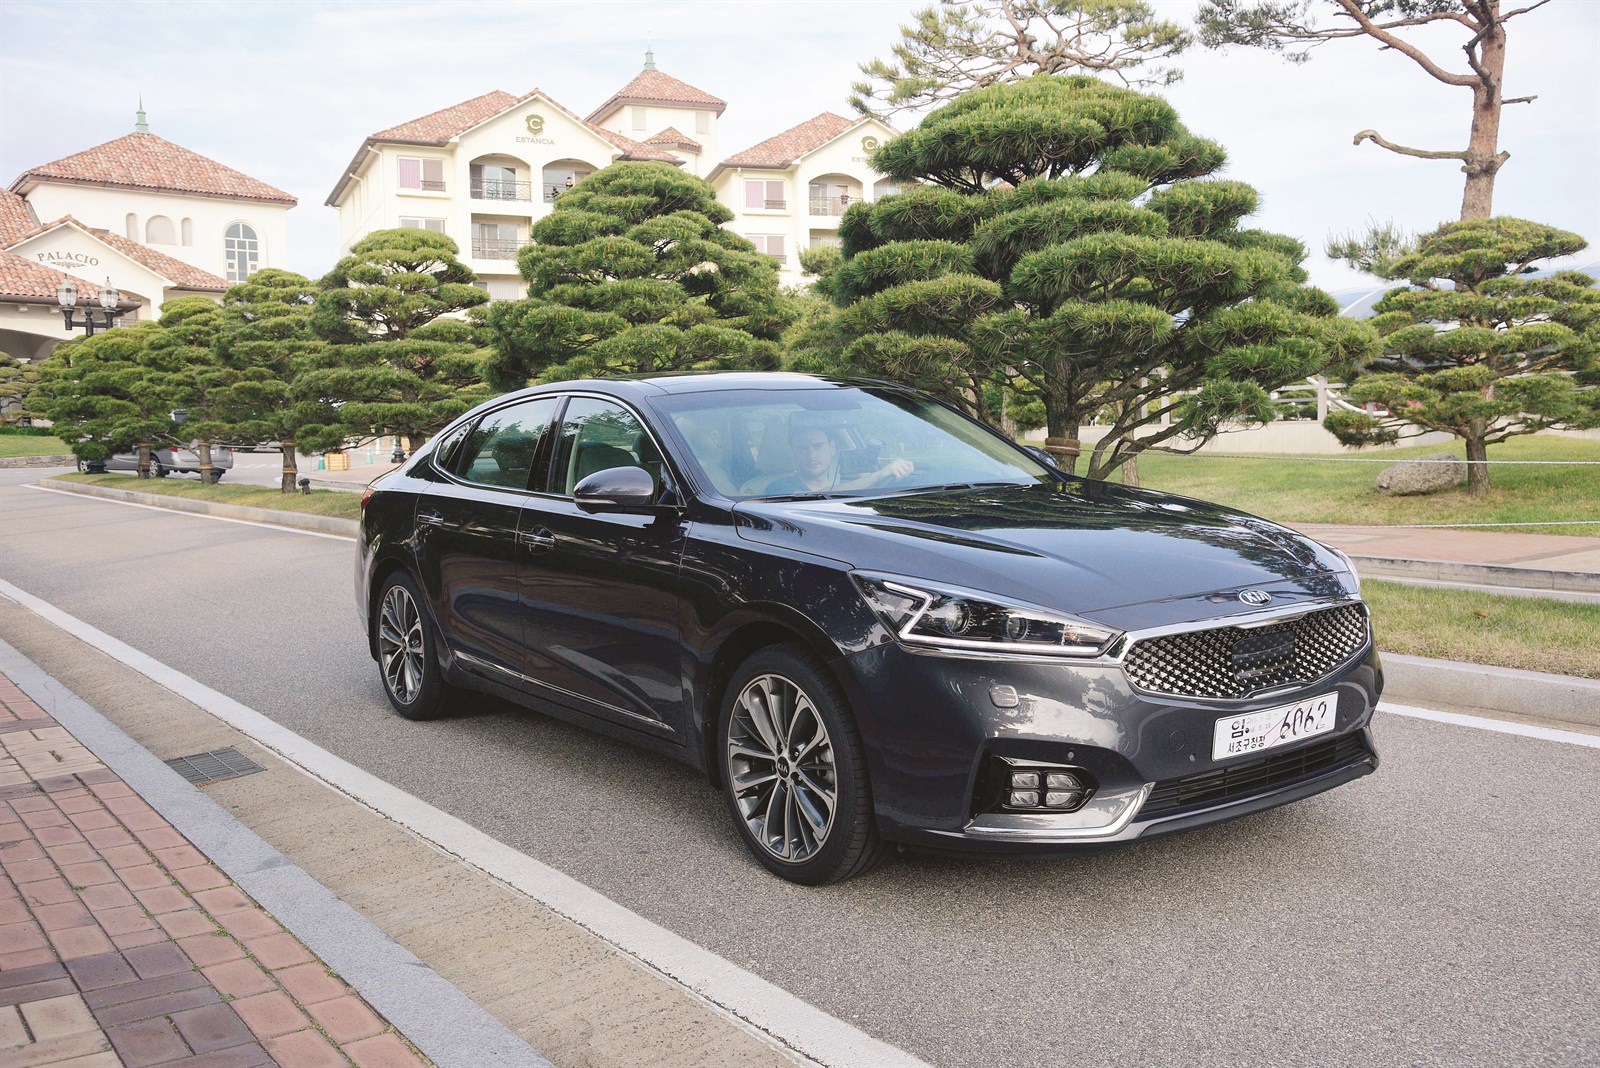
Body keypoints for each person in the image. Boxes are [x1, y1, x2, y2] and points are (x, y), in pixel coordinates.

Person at [762, 423, 913, 495]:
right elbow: (818, 496)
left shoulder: (850, 481)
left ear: (833, 448)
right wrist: (877, 476)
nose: (811, 455)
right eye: (803, 449)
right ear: (793, 453)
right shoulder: (779, 488)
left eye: (818, 446)